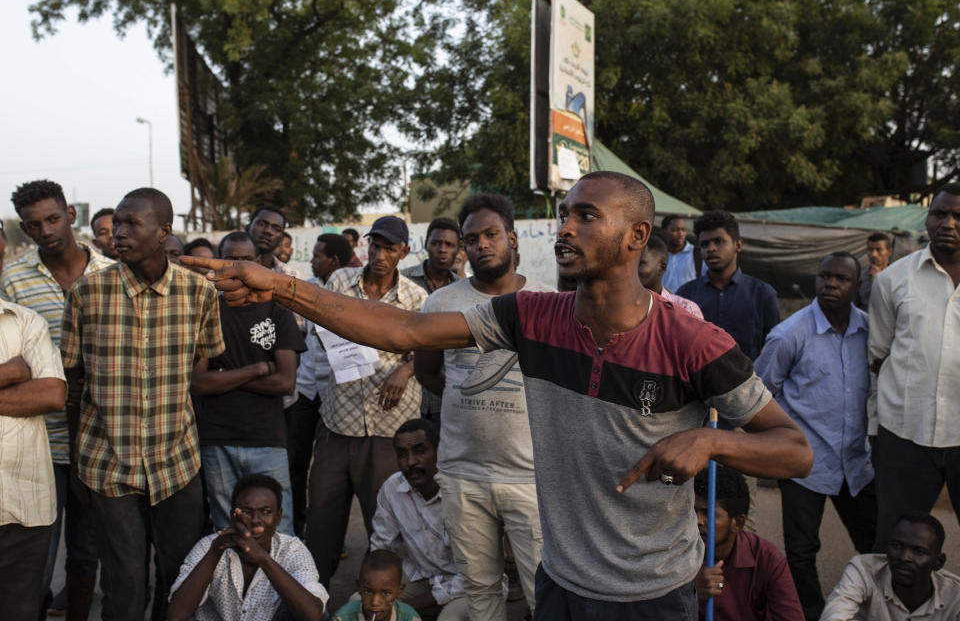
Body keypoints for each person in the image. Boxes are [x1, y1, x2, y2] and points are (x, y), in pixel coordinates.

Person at [182, 170, 814, 618]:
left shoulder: (690, 338)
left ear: (636, 237)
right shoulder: (533, 315)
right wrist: (277, 286)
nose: (566, 227)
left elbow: (793, 450)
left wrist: (707, 438)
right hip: (562, 581)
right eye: (564, 213)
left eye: (586, 216)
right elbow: (405, 328)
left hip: (653, 592)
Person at [60, 188, 225, 619]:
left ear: (164, 232)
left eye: (132, 224)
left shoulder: (198, 293)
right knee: (125, 583)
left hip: (177, 462)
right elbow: (73, 383)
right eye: (118, 223)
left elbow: (202, 363)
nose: (119, 232)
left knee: (177, 575)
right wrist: (79, 460)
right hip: (107, 462)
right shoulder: (87, 294)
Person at [414, 194, 547, 618]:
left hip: (532, 475)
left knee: (543, 590)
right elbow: (428, 373)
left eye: (491, 235)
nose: (481, 245)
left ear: (511, 238)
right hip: (463, 473)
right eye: (471, 239)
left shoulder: (547, 303)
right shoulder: (441, 303)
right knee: (480, 592)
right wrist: (467, 391)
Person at [3, 179, 113, 619]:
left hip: (98, 437)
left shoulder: (110, 272)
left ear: (70, 214)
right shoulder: (13, 280)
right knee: (36, 560)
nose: (45, 230)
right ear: (25, 230)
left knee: (86, 552)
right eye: (33, 225)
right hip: (37, 442)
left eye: (52, 219)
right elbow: (11, 359)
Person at [304, 215, 428, 587]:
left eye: (390, 249)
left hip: (389, 429)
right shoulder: (340, 281)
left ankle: (381, 600)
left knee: (384, 523)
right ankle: (314, 597)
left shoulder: (416, 298)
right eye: (375, 246)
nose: (380, 255)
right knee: (323, 519)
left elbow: (431, 349)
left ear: (403, 252)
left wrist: (406, 370)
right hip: (338, 423)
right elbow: (318, 325)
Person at [755, 252, 876, 620]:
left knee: (875, 544)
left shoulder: (871, 331)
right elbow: (760, 394)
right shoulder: (790, 334)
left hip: (857, 461)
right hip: (805, 461)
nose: (831, 284)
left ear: (856, 287)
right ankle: (809, 613)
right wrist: (777, 446)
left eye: (841, 279)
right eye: (825, 276)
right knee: (802, 550)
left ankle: (876, 609)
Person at [190, 231, 306, 535]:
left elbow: (285, 382)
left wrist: (224, 377)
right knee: (228, 528)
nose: (238, 267)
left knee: (279, 530)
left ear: (258, 263)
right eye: (230, 259)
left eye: (245, 260)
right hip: (217, 439)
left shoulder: (278, 311)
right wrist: (255, 369)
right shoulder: (208, 311)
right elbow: (199, 384)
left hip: (266, 438)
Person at [868, 183, 960, 551]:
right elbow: (877, 356)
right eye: (939, 214)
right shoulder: (893, 279)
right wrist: (874, 428)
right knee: (895, 541)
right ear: (927, 219)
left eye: (958, 216)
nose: (948, 223)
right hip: (903, 432)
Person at [168, 473, 327, 621]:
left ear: (278, 517)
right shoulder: (209, 546)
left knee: (315, 606)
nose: (256, 520)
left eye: (266, 512)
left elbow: (313, 614)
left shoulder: (292, 550)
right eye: (246, 511)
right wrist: (216, 551)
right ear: (233, 516)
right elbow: (176, 615)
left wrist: (264, 559)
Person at [0, 297, 68, 621]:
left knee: (19, 613)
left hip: (24, 506)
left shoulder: (26, 322)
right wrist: (11, 373)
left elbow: (52, 393)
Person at [287, 233, 355, 536]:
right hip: (304, 389)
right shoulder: (307, 289)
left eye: (317, 256)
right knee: (295, 462)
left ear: (334, 262)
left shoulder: (351, 295)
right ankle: (296, 527)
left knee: (328, 472)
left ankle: (328, 535)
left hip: (335, 392)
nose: (312, 261)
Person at [370, 419, 469, 620]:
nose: (411, 462)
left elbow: (476, 575)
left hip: (471, 587)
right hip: (422, 577)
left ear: (439, 451)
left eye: (419, 451)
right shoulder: (392, 489)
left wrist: (405, 607)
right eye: (402, 454)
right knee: (362, 603)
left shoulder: (463, 492)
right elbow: (381, 549)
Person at [692, 466, 802, 621]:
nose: (698, 521)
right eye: (693, 511)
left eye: (709, 514)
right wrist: (689, 591)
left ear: (738, 522)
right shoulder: (674, 553)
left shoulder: (768, 560)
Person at [677, 210, 780, 360]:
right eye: (705, 244)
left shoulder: (762, 294)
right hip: (698, 382)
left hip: (749, 381)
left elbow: (773, 350)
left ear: (738, 245)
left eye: (718, 241)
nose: (711, 249)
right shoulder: (686, 294)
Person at [821, 511, 960, 620]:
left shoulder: (955, 596)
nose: (904, 557)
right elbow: (834, 616)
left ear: (938, 562)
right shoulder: (863, 570)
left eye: (919, 551)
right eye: (896, 546)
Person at [403, 217, 461, 426]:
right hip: (404, 396)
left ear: (458, 249)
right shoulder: (403, 281)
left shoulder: (463, 290)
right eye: (436, 243)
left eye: (449, 245)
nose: (442, 250)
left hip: (443, 397)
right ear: (426, 245)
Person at [333, 550, 422, 621]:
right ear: (359, 588)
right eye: (368, 591)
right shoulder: (342, 618)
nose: (375, 602)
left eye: (385, 593)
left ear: (400, 591)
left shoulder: (409, 618)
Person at [638, 234, 703, 318]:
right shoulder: (618, 306)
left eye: (640, 264)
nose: (630, 269)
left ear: (662, 267)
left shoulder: (686, 310)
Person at [249, 205, 300, 279]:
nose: (268, 231)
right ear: (248, 227)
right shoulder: (230, 266)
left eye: (276, 229)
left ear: (281, 239)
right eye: (261, 224)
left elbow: (293, 290)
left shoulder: (291, 275)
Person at [856, 232, 892, 310]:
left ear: (889, 252)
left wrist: (879, 280)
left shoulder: (897, 276)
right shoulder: (860, 278)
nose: (873, 254)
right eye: (870, 250)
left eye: (878, 250)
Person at [661, 214, 698, 292]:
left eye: (683, 230)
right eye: (675, 230)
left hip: (690, 303)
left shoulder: (697, 254)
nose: (680, 234)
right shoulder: (658, 255)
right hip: (663, 303)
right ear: (664, 232)